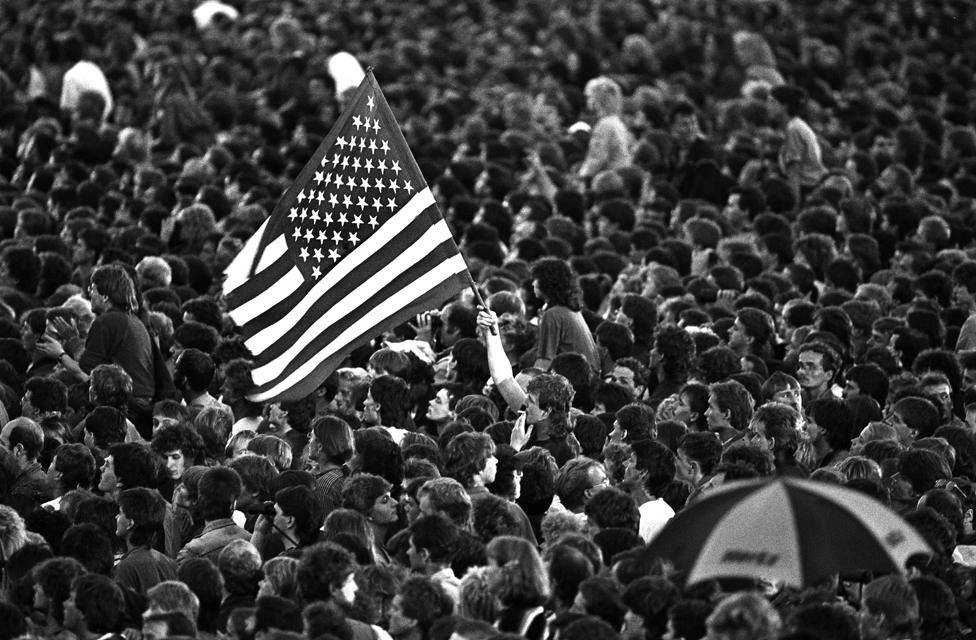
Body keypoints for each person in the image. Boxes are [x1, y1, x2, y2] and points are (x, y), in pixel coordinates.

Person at [114, 487, 177, 593]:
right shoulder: (169, 563)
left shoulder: (126, 567)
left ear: (130, 523)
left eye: (120, 513)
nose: (116, 517)